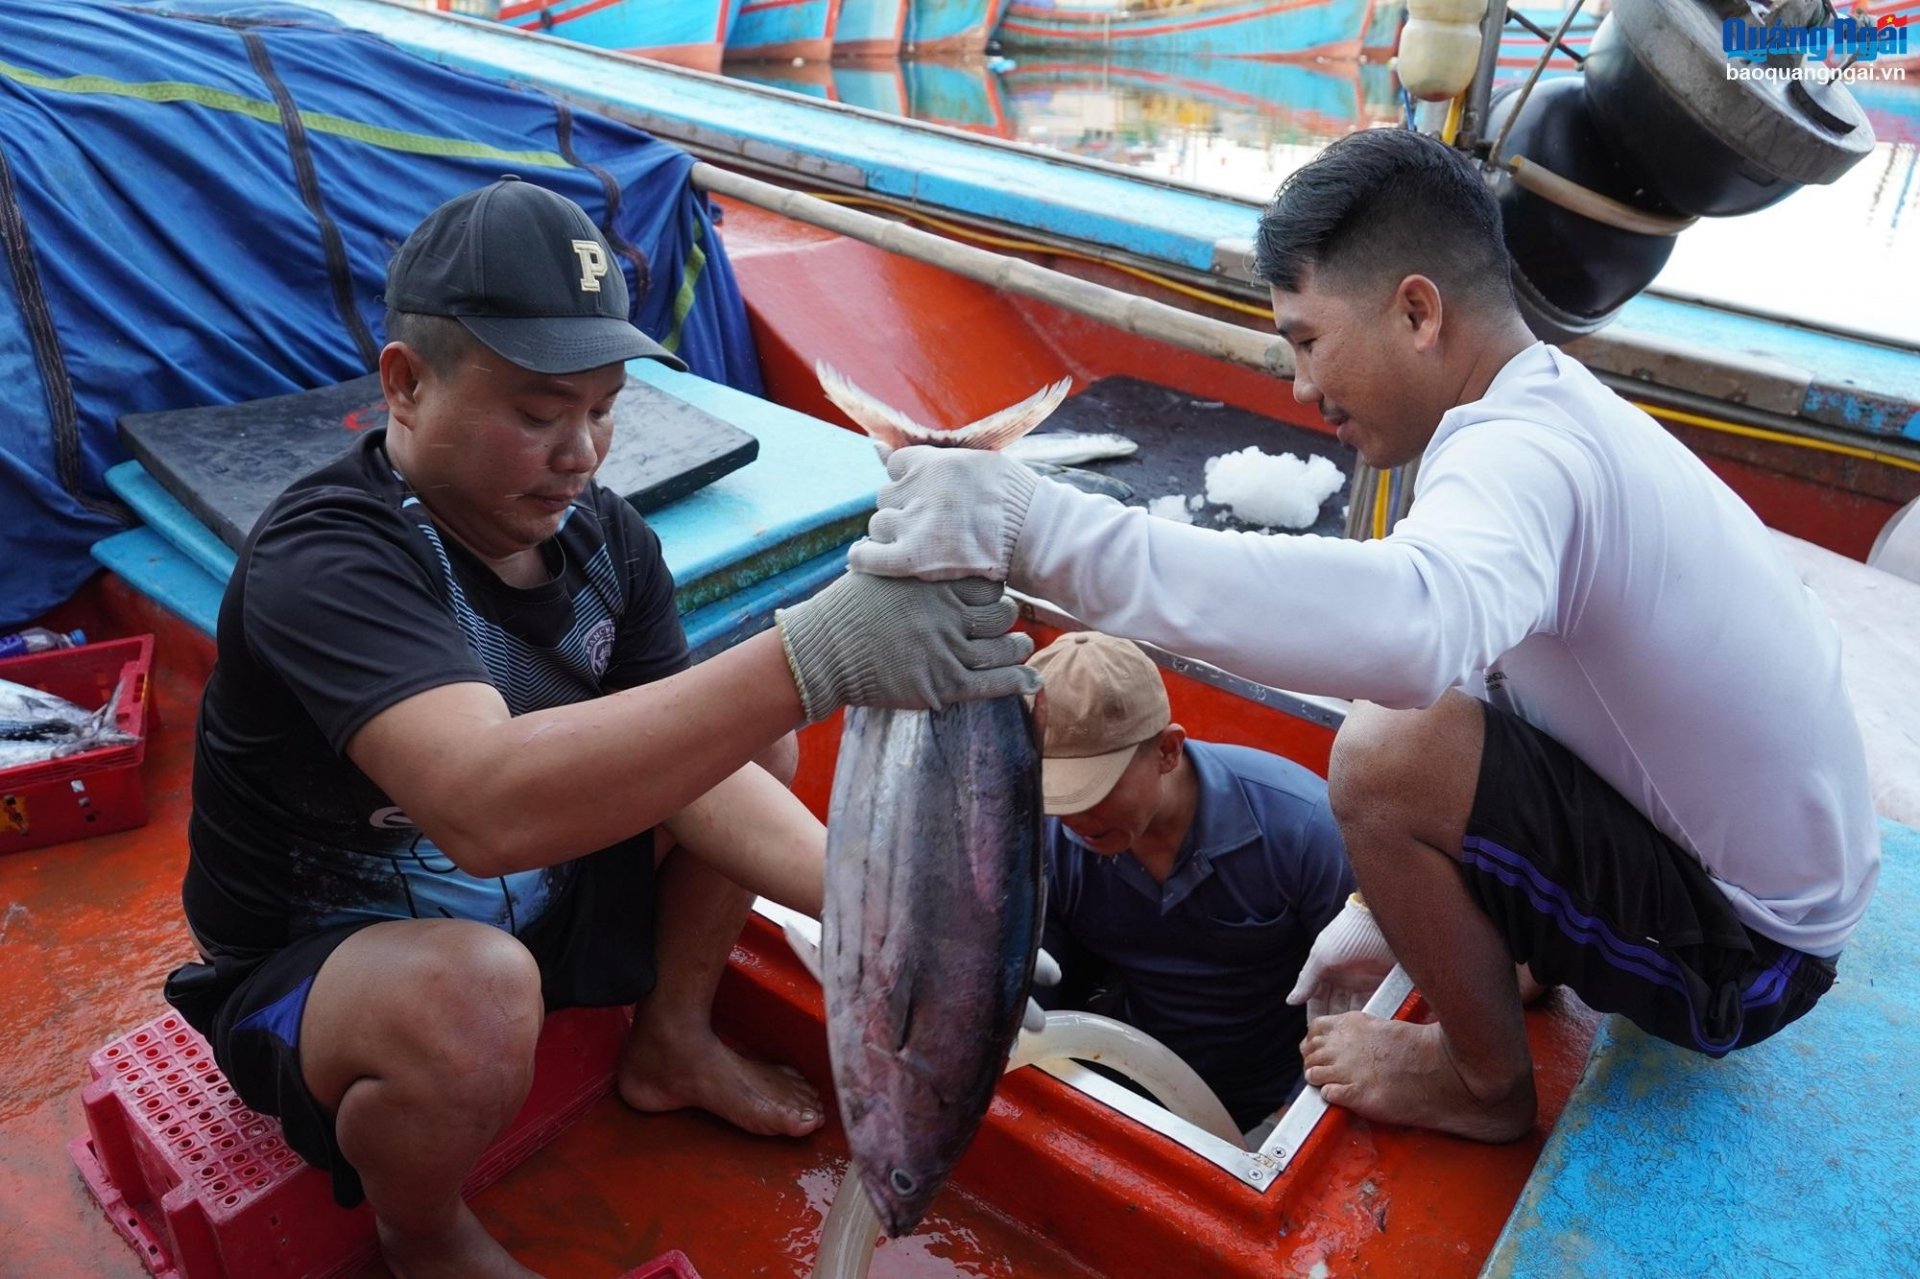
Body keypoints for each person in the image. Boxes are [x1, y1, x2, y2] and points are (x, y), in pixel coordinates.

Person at [846, 129, 1881, 1143]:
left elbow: (1414, 632)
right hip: (1748, 870)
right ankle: (1528, 941)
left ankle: (1484, 1085)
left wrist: (1039, 529)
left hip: (1749, 956)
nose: (1300, 386)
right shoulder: (1554, 415)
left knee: (1386, 751)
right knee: (1439, 715)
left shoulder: (1524, 456)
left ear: (1418, 311)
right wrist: (1395, 915)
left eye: (1306, 339)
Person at [164, 177, 1037, 1279]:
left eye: (602, 406)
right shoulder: (328, 557)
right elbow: (482, 804)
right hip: (332, 967)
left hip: (534, 897)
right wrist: (813, 655)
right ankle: (420, 1232)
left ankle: (671, 1038)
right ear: (406, 382)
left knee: (742, 745)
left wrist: (901, 919)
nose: (582, 450)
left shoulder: (604, 537)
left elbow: (701, 775)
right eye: (537, 413)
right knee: (476, 991)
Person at [1025, 630, 1352, 1136]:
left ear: (1167, 751)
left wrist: (1290, 1125)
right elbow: (1039, 978)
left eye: (1095, 790)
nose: (1073, 817)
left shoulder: (1304, 832)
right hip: (1124, 1072)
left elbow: (1357, 1006)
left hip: (1275, 1098)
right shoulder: (1052, 835)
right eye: (1056, 793)